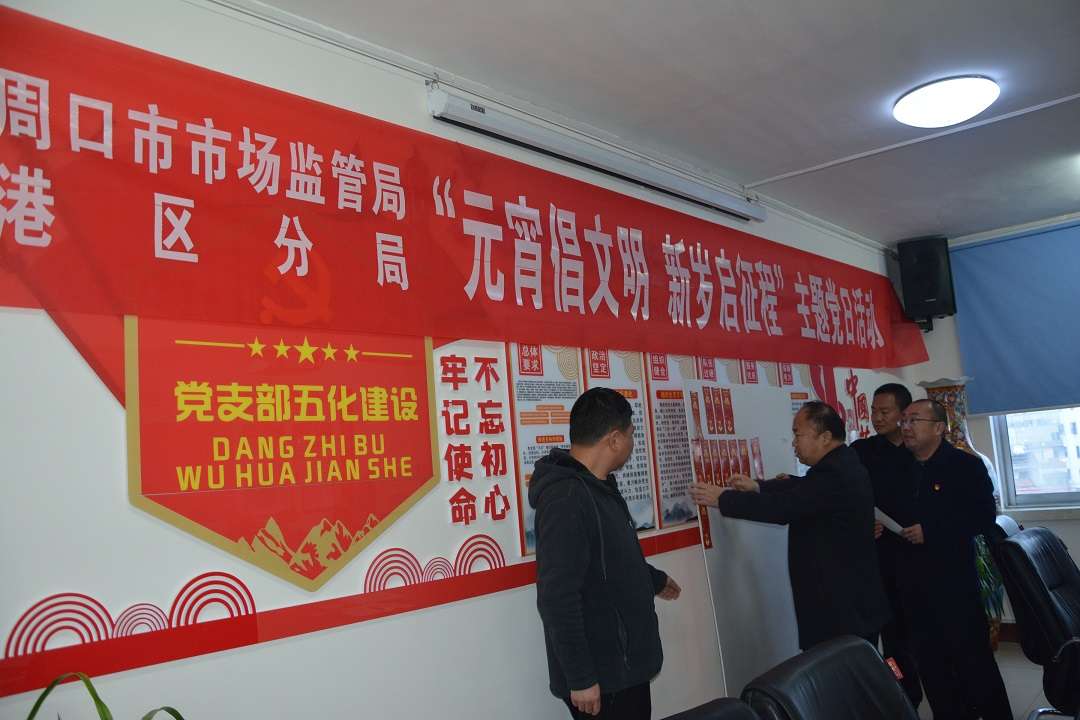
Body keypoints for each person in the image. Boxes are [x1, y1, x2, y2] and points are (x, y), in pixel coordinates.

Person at [530, 387, 682, 719]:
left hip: (622, 671)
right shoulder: (566, 499)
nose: (632, 442)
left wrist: (653, 580)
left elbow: (609, 560)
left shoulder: (598, 487)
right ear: (614, 439)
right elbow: (556, 596)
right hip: (602, 680)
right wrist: (581, 678)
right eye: (631, 434)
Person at [689, 401, 889, 650]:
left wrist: (723, 498)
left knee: (840, 672)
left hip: (841, 609)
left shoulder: (834, 475)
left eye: (798, 434)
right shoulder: (841, 464)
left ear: (825, 437)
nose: (794, 442)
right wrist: (759, 486)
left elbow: (785, 507)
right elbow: (803, 489)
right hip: (848, 605)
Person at [897, 399, 1012, 720]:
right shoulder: (900, 467)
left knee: (974, 664)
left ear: (938, 428)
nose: (906, 427)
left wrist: (932, 531)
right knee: (931, 667)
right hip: (912, 586)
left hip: (954, 584)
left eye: (914, 420)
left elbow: (983, 517)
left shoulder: (965, 466)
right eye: (904, 420)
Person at [850, 383, 923, 707]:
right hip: (879, 562)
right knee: (891, 639)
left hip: (919, 559)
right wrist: (862, 519)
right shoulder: (862, 452)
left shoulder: (920, 450)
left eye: (884, 411)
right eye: (873, 411)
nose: (877, 418)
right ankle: (903, 700)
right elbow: (843, 494)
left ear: (903, 414)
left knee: (919, 637)